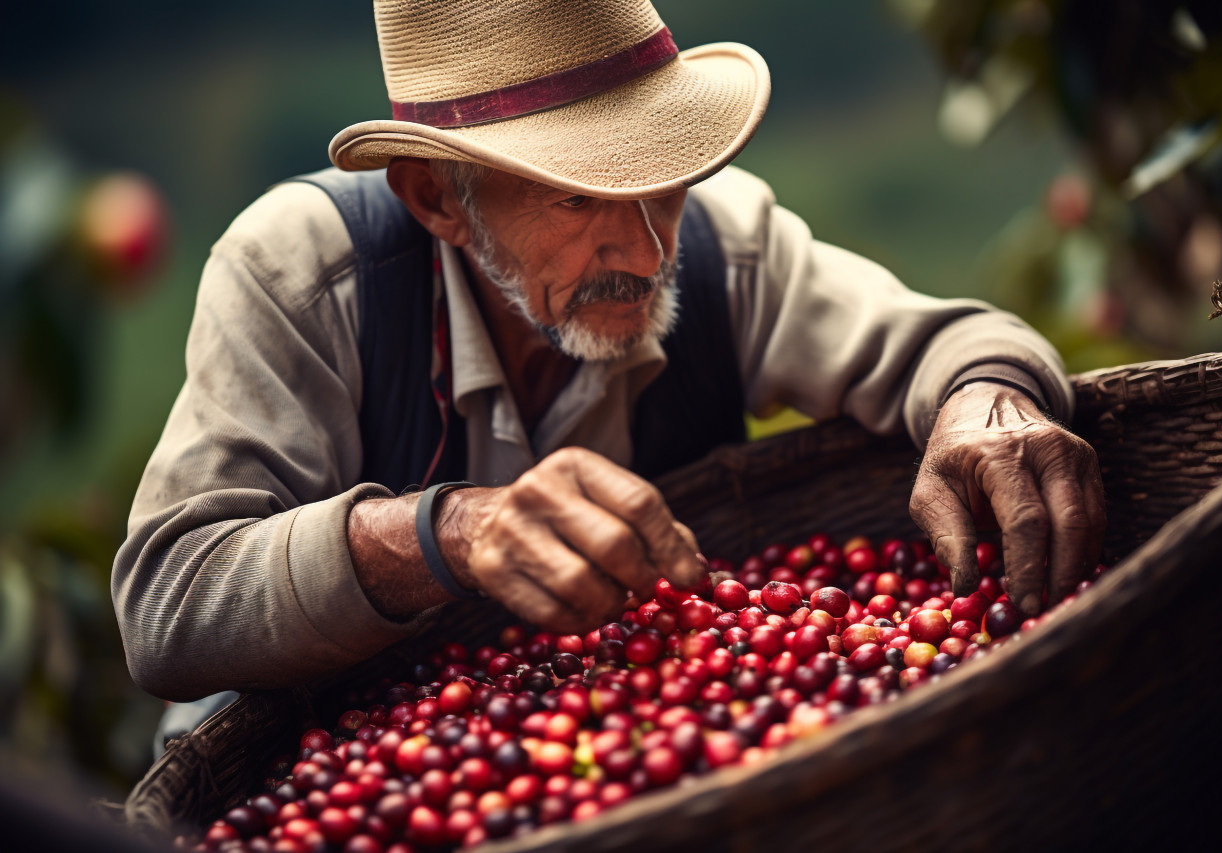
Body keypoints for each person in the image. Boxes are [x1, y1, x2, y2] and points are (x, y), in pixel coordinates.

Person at [113, 0, 1104, 707]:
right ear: (433, 196)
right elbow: (166, 607)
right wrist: (444, 534)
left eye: (660, 179)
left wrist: (988, 397)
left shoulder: (724, 246)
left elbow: (953, 342)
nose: (647, 249)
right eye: (575, 196)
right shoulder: (302, 274)